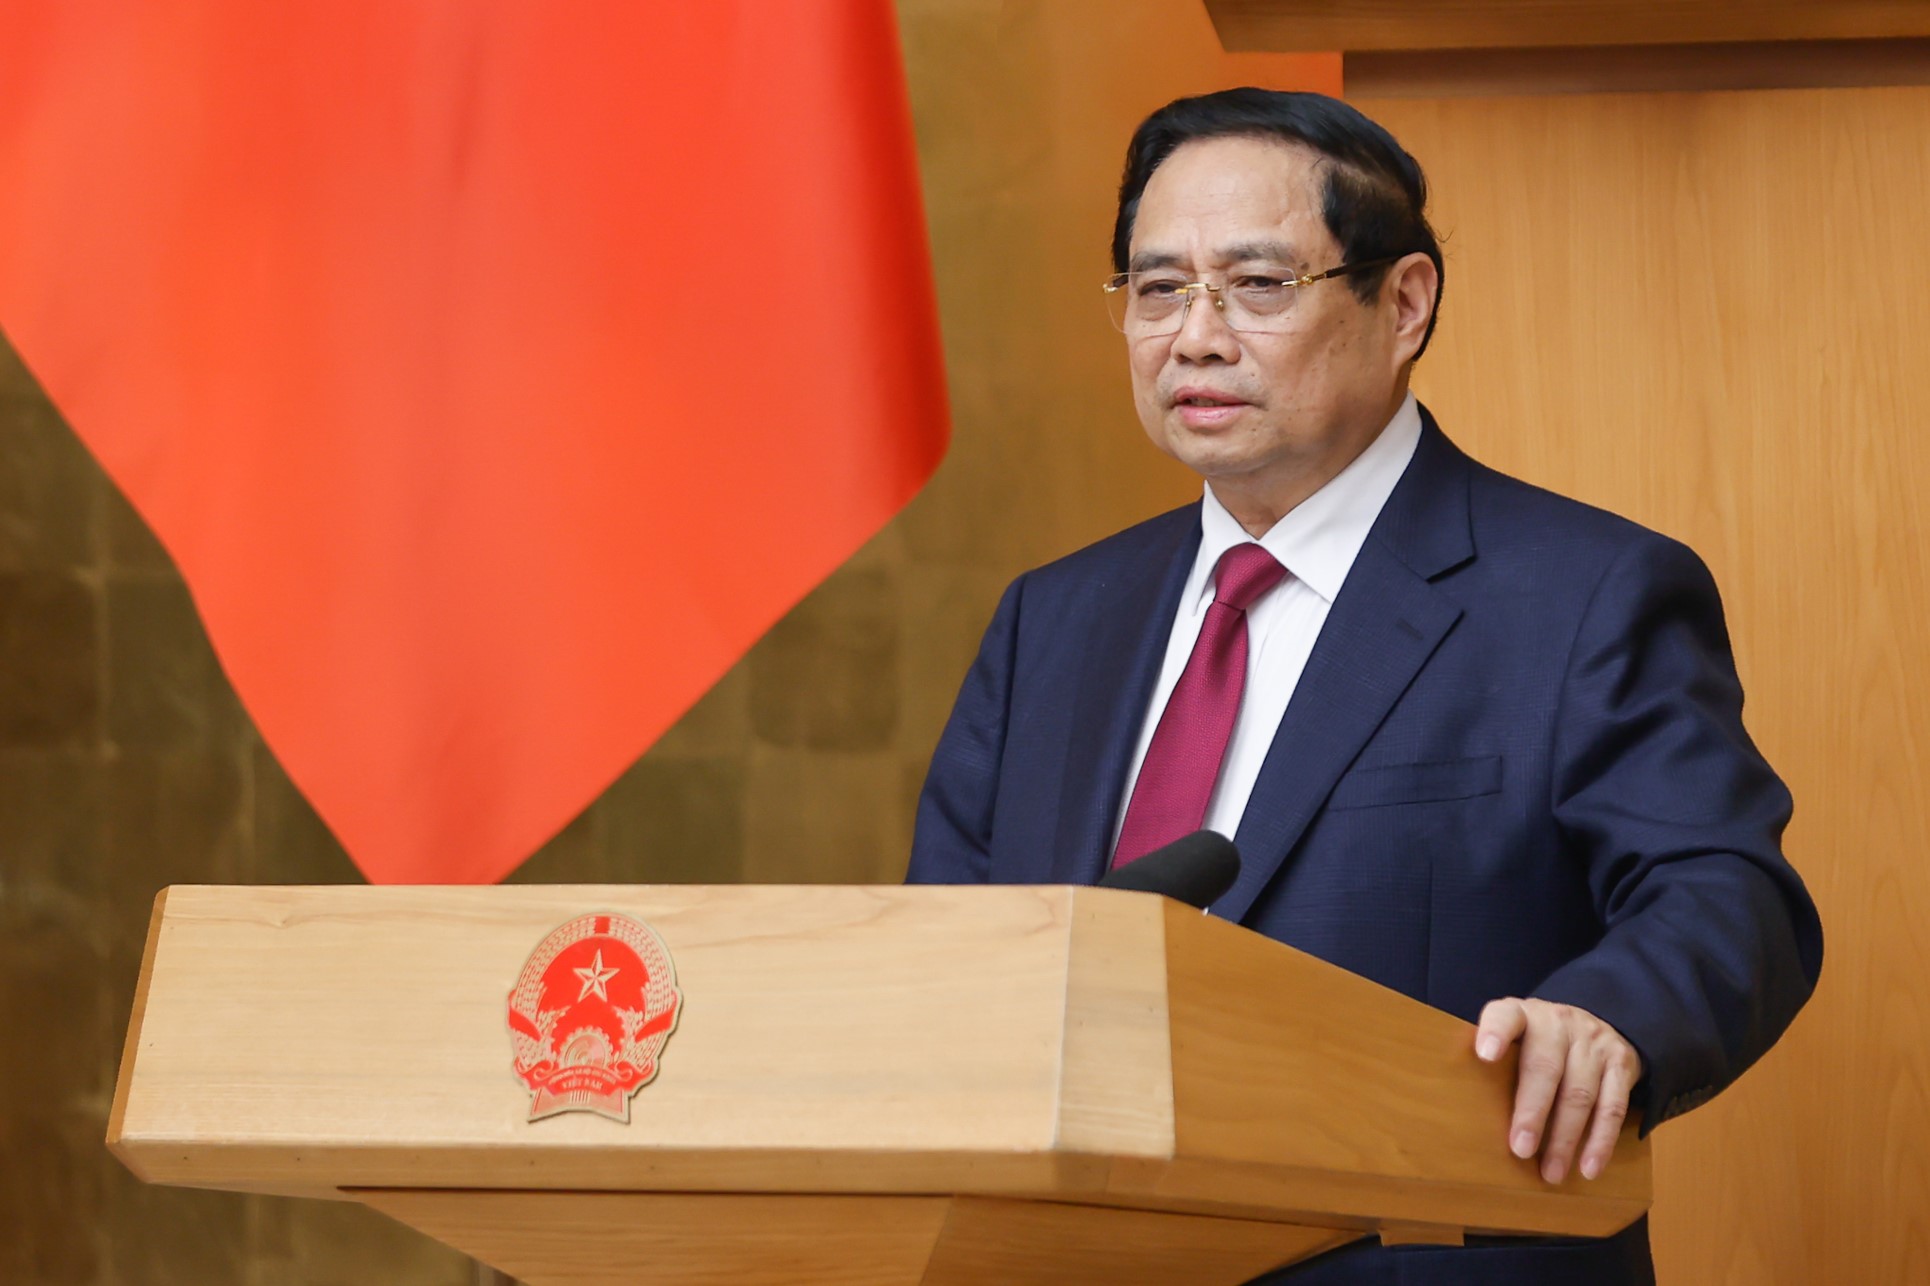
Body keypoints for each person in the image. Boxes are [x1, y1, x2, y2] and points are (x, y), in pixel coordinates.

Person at [905, 88, 1822, 1285]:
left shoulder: (1584, 592)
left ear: (1404, 303)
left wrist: (1609, 1017)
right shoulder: (1053, 618)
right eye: (1158, 287)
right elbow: (948, 962)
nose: (1194, 336)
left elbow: (1725, 891)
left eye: (1257, 284)